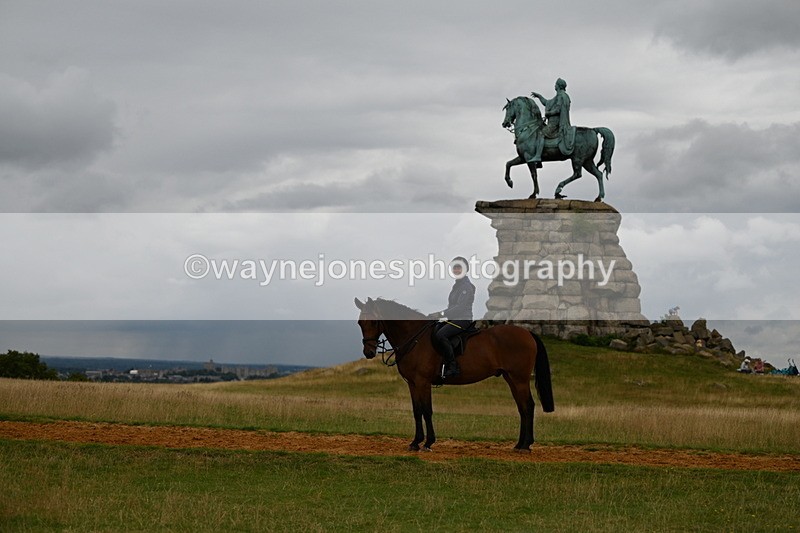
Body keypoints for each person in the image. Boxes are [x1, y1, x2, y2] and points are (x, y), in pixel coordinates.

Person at [429, 257, 476, 379]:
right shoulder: (457, 285)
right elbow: (452, 307)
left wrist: (440, 314)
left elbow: (460, 308)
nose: (456, 269)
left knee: (441, 335)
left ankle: (453, 367)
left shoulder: (466, 286)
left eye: (459, 267)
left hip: (463, 319)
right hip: (454, 319)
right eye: (454, 267)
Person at [530, 78, 574, 161]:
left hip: (555, 123)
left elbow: (558, 110)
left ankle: (538, 156)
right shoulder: (559, 96)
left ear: (558, 86)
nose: (555, 86)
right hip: (553, 122)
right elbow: (547, 102)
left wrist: (548, 113)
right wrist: (539, 96)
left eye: (556, 84)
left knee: (541, 134)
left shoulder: (561, 96)